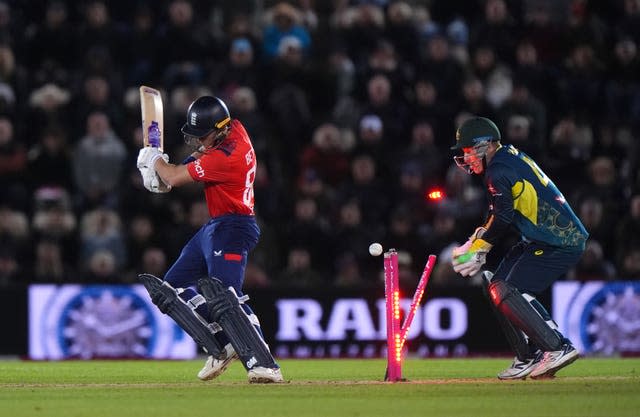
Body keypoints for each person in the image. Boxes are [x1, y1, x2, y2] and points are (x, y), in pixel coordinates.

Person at [136, 95, 283, 383]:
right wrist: (162, 171)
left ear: (221, 129)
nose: (199, 143)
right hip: (215, 226)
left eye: (203, 137)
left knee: (226, 297)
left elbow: (176, 178)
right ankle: (221, 345)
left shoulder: (228, 157)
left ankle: (265, 365)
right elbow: (182, 171)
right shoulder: (234, 129)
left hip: (234, 227)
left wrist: (155, 162)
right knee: (172, 288)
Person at [449, 116, 588, 380]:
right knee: (494, 282)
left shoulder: (498, 170)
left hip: (560, 241)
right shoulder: (507, 158)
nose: (465, 158)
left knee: (508, 289)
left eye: (468, 150)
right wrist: (474, 243)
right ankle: (529, 355)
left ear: (485, 145)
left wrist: (479, 249)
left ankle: (556, 347)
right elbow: (499, 214)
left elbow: (502, 218)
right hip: (544, 239)